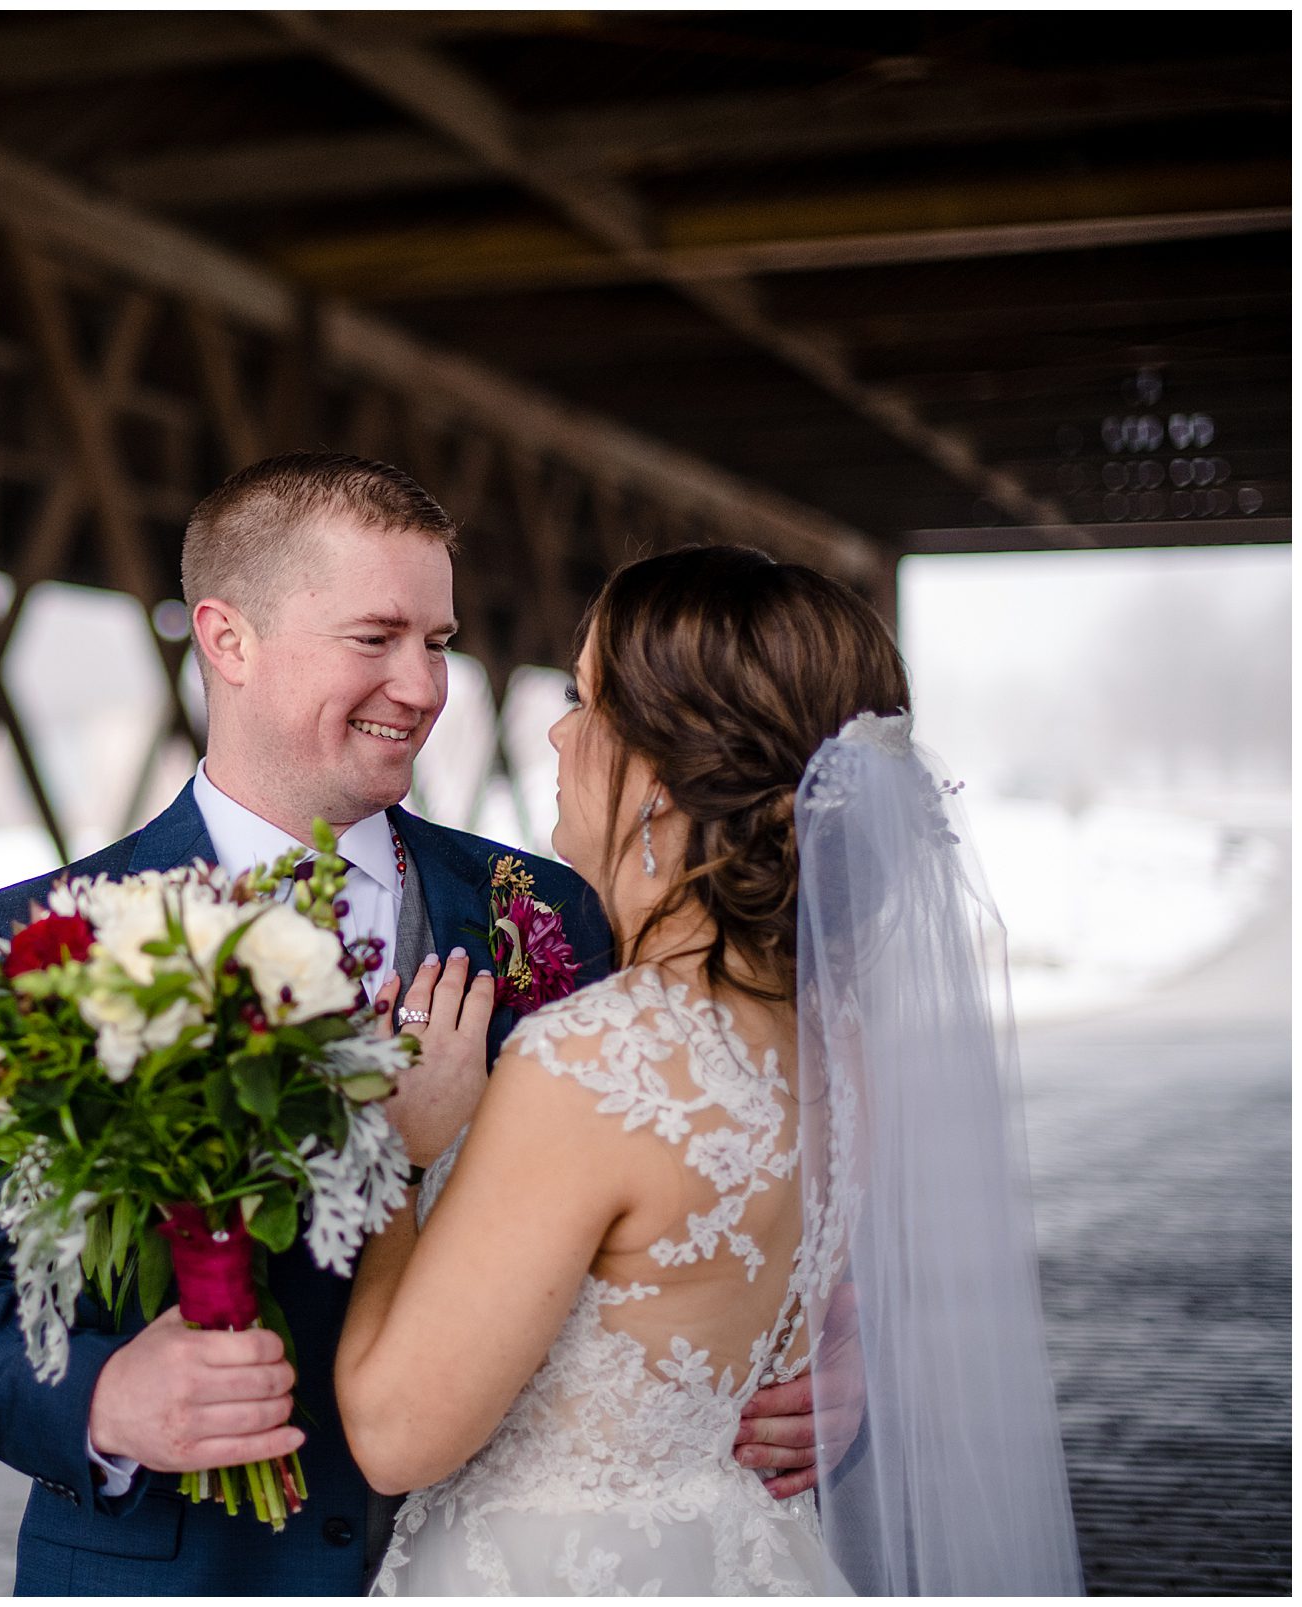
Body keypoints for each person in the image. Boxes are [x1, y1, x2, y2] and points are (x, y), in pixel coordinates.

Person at [0, 456, 828, 1594]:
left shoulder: (555, 906)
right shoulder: (36, 944)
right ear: (227, 640)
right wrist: (104, 1401)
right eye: (375, 638)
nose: (425, 687)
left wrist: (815, 1358)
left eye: (437, 640)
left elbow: (707, 1164)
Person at [337, 545, 1082, 1595]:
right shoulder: (840, 1045)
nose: (554, 732)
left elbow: (395, 1432)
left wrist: (399, 1154)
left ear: (663, 777)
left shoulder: (594, 1061)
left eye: (583, 699)